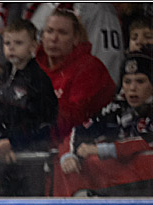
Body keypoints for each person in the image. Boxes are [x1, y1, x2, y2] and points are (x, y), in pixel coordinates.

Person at [54, 47, 153, 197]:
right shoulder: (115, 108)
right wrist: (69, 156)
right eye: (127, 82)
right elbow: (80, 131)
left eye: (140, 81)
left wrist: (103, 149)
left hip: (150, 189)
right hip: (120, 182)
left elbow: (148, 141)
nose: (132, 88)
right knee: (69, 163)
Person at [0, 19, 58, 196]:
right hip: (3, 159)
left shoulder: (39, 81)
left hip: (30, 161)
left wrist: (14, 143)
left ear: (33, 45)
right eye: (7, 43)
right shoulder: (2, 77)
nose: (11, 48)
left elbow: (45, 124)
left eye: (18, 43)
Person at [35, 8, 115, 145]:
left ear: (76, 38)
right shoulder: (34, 66)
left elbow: (75, 120)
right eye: (49, 31)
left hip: (76, 148)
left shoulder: (89, 68)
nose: (54, 38)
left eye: (62, 33)